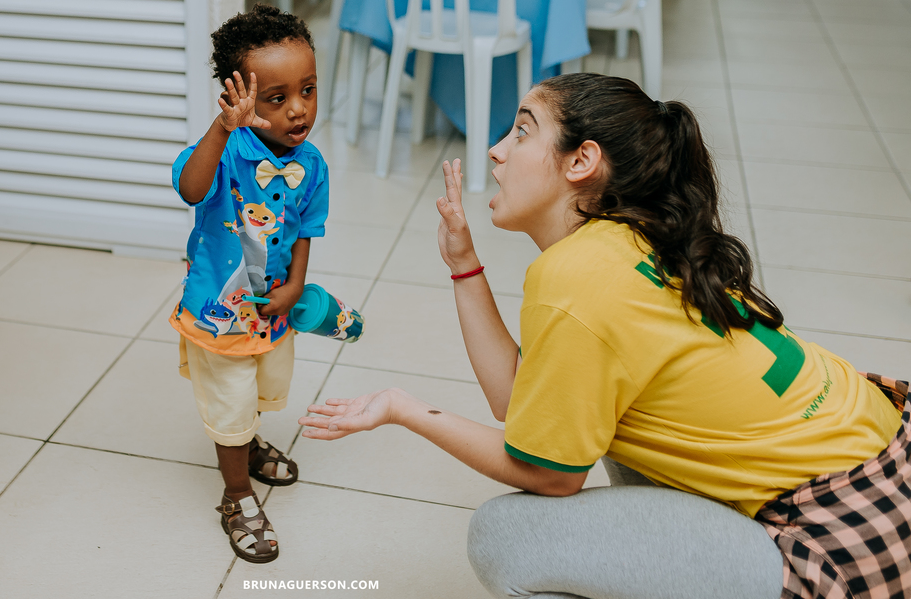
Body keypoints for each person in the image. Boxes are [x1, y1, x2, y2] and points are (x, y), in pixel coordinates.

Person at [298, 73, 910, 598]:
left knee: (503, 537)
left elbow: (550, 475)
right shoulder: (635, 235)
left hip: (844, 535)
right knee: (599, 429)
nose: (494, 150)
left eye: (521, 131)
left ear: (581, 161)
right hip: (887, 464)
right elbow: (528, 412)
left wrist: (406, 409)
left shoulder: (576, 278)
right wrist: (464, 262)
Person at [171, 4, 328, 564]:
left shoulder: (313, 163)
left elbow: (308, 227)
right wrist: (221, 128)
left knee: (261, 387)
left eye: (307, 90)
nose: (299, 110)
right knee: (231, 398)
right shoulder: (228, 150)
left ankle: (247, 441)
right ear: (240, 98)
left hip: (272, 308)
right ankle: (237, 495)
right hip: (220, 310)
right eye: (277, 98)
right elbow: (191, 189)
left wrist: (297, 285)